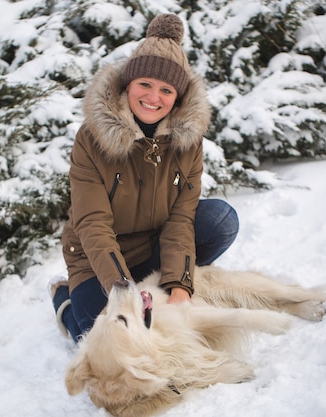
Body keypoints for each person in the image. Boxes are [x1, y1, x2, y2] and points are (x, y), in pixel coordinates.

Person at [50, 14, 239, 343]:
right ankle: (65, 300)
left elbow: (181, 218)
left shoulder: (187, 142)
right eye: (145, 85)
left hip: (151, 246)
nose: (154, 97)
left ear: (177, 98)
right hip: (96, 259)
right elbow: (92, 222)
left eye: (166, 89)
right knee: (97, 340)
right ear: (128, 85)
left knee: (220, 220)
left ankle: (161, 284)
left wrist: (179, 284)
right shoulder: (92, 138)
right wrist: (123, 293)